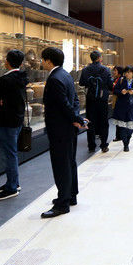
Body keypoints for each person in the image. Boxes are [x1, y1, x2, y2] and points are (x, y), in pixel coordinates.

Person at [40, 47, 87, 219]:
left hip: (59, 128)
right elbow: (74, 101)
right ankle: (71, 195)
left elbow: (62, 104)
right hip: (68, 127)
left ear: (48, 61)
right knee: (70, 162)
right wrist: (75, 118)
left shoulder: (54, 78)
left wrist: (76, 118)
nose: (41, 62)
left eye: (42, 59)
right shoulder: (65, 74)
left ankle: (62, 203)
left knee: (61, 165)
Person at [0, 49, 28, 201]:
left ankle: (11, 187)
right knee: (12, 153)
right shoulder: (22, 77)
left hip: (7, 121)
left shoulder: (6, 80)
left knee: (9, 154)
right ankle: (13, 182)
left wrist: (1, 99)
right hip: (17, 119)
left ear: (7, 62)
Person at [79, 50, 113, 153]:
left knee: (90, 122)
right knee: (103, 122)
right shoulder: (106, 69)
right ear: (99, 58)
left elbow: (81, 83)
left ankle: (91, 146)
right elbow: (110, 84)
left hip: (90, 98)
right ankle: (104, 145)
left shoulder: (85, 70)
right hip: (102, 99)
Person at [112, 65, 133, 152]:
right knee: (122, 127)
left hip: (131, 107)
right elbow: (115, 91)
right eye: (126, 72)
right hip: (120, 106)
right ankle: (125, 144)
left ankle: (127, 140)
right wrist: (121, 92)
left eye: (129, 72)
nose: (127, 74)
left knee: (130, 128)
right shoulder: (121, 80)